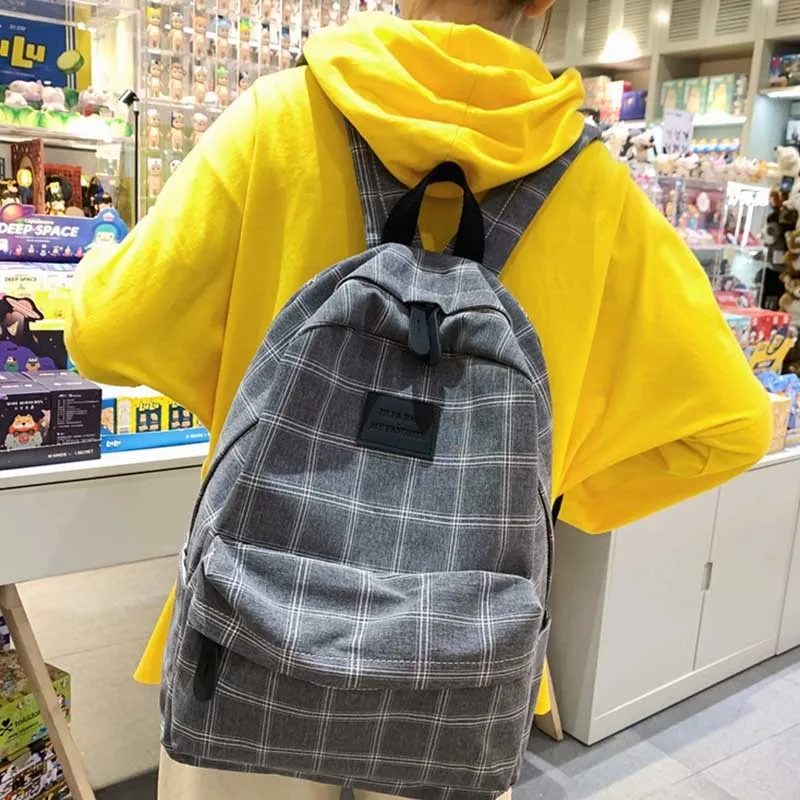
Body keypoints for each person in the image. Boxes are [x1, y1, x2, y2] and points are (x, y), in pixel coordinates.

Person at [67, 0, 772, 797]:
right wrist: (551, 486)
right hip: (462, 663)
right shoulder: (597, 187)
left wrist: (240, 401)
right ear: (542, 4)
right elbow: (734, 428)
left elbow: (105, 333)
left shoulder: (280, 118)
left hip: (255, 623)